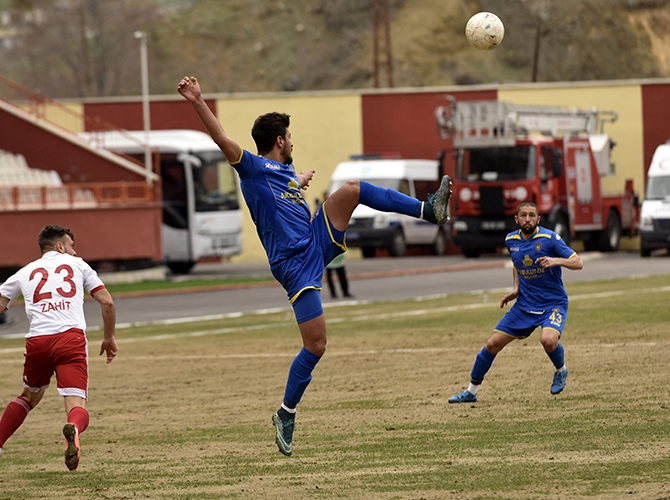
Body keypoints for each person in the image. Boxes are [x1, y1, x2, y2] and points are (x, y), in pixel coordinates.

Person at [177, 76, 452, 456]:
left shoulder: (286, 172)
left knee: (353, 189)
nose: (293, 142)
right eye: (289, 137)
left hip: (312, 238)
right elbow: (222, 139)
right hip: (293, 263)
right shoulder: (253, 169)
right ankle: (286, 412)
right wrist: (197, 100)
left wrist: (299, 180)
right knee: (317, 344)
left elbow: (288, 187)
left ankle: (428, 210)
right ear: (279, 141)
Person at [0, 225, 117, 470]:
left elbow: (1, 304)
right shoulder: (79, 265)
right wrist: (109, 337)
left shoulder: (25, 272)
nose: (75, 252)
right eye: (72, 246)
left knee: (28, 397)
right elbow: (107, 301)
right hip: (70, 340)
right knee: (76, 405)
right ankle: (73, 429)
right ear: (60, 246)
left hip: (38, 342)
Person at [449, 201, 583, 403]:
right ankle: (471, 391)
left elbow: (578, 262)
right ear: (516, 219)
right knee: (492, 344)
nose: (527, 219)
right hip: (525, 305)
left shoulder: (550, 238)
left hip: (553, 303)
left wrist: (556, 260)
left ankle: (561, 370)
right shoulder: (511, 240)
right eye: (523, 215)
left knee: (548, 340)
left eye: (531, 215)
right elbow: (516, 263)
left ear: (538, 219)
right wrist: (516, 288)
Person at [321, 191, 353, 299]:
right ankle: (333, 293)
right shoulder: (321, 212)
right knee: (329, 273)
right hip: (328, 245)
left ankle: (345, 291)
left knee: (341, 272)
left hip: (337, 244)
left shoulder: (336, 210)